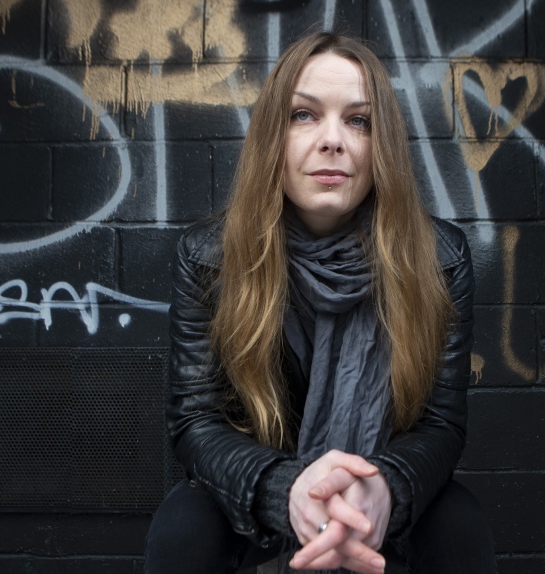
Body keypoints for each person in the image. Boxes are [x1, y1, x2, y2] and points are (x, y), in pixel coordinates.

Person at [145, 31, 496, 573]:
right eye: (303, 115)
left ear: (381, 145)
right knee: (183, 525)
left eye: (359, 120)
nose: (332, 139)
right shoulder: (209, 257)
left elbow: (441, 426)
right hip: (260, 487)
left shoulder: (439, 258)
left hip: (378, 488)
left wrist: (384, 489)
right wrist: (285, 490)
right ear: (272, 137)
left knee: (459, 524)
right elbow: (196, 423)